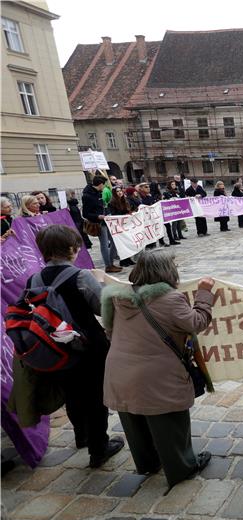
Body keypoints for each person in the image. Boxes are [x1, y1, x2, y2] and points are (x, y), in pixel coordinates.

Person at [102, 249, 214, 488]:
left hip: (119, 370)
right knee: (170, 423)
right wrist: (204, 293)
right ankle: (182, 467)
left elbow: (109, 331)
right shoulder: (171, 299)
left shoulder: (118, 296)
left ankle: (148, 463)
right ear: (166, 272)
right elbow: (197, 322)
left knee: (134, 421)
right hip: (156, 376)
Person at [28, 225, 125, 466]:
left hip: (54, 348)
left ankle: (81, 435)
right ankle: (99, 448)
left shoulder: (34, 278)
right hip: (87, 346)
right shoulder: (81, 276)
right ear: (71, 249)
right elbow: (103, 309)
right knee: (95, 396)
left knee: (71, 393)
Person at [83, 176, 122, 273]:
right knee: (104, 244)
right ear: (100, 184)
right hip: (99, 223)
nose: (105, 186)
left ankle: (111, 262)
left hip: (107, 221)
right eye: (104, 184)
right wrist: (98, 216)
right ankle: (108, 265)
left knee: (114, 241)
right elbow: (85, 214)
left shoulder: (99, 193)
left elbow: (104, 205)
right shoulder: (87, 196)